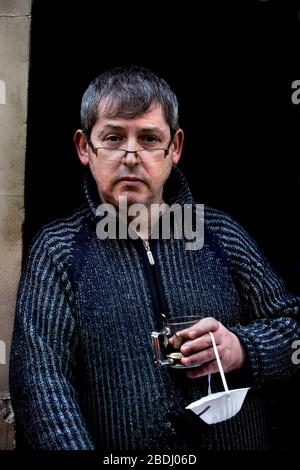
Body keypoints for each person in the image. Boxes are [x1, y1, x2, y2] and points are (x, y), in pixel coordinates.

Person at [9, 65, 300, 451]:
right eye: (113, 137)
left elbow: (292, 328)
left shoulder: (220, 233)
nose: (131, 156)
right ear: (85, 148)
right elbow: (40, 379)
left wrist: (242, 348)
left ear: (174, 148)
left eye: (148, 139)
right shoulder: (59, 250)